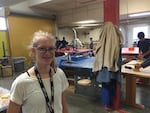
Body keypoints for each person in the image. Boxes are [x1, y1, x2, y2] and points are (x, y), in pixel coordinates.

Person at [7, 30, 69, 113]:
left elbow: (63, 105)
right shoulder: (21, 82)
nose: (47, 53)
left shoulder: (59, 74)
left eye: (51, 48)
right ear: (33, 50)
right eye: (42, 48)